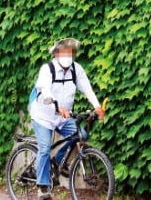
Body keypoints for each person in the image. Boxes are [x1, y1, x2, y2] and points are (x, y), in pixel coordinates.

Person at [29, 37, 105, 199]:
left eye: (70, 53)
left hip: (64, 117)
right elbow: (45, 92)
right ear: (56, 54)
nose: (67, 57)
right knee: (44, 148)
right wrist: (57, 107)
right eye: (63, 53)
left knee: (81, 135)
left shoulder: (76, 69)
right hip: (43, 115)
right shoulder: (47, 69)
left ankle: (57, 161)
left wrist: (97, 106)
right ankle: (42, 187)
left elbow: (87, 89)